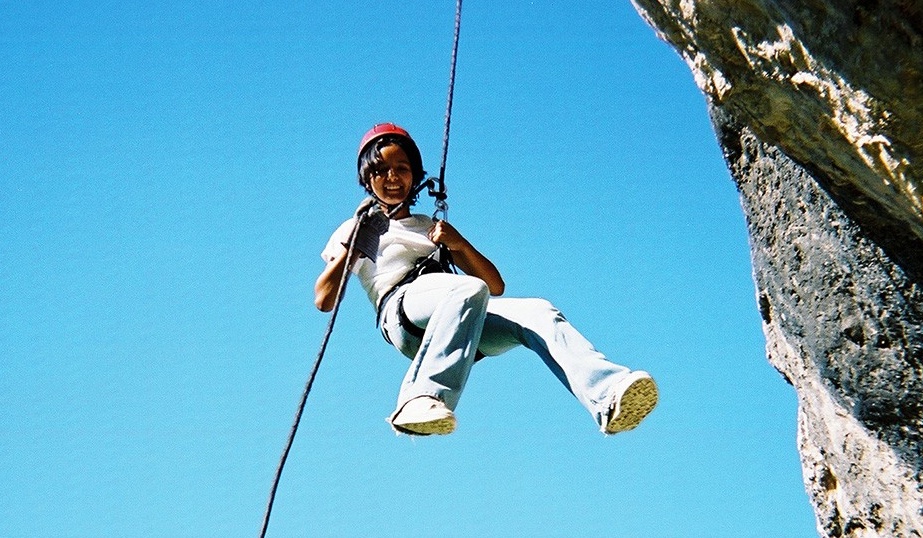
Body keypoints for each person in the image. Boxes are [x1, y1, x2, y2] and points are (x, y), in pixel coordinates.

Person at [315, 123, 658, 436]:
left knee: (538, 311)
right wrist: (356, 246)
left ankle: (606, 395)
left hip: (460, 316)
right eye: (380, 171)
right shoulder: (356, 228)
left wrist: (458, 243)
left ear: (415, 175)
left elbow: (495, 286)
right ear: (366, 178)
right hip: (403, 313)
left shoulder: (429, 226)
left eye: (401, 169)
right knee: (467, 289)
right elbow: (324, 299)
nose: (392, 177)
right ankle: (421, 397)